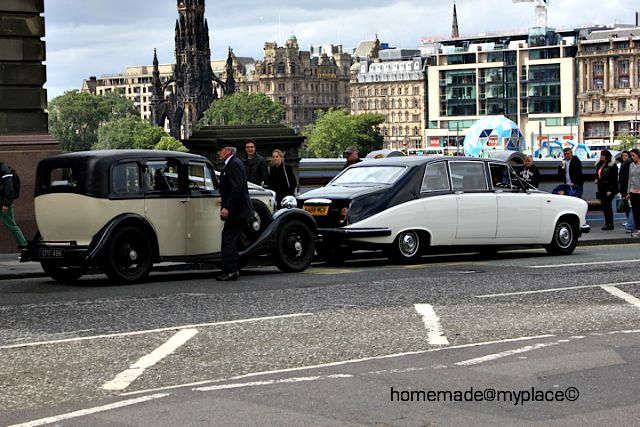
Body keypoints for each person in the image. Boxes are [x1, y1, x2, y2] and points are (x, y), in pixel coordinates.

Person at [217, 145, 253, 281]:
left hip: (237, 211)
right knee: (230, 238)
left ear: (229, 151)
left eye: (221, 150)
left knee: (228, 239)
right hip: (237, 210)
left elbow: (236, 188)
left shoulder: (234, 165)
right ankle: (231, 269)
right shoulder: (232, 164)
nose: (219, 152)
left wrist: (227, 207)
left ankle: (231, 270)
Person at [0, 162, 27, 253]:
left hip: (2, 202)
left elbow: (9, 188)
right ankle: (23, 245)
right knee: (11, 224)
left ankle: (24, 245)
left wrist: (6, 203)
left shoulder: (4, 169)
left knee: (11, 224)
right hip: (3, 201)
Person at [595, 149, 618, 230]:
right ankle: (607, 222)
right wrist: (597, 178)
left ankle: (610, 223)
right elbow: (599, 173)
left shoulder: (612, 165)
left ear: (607, 156)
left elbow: (614, 178)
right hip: (601, 187)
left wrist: (610, 189)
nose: (601, 156)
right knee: (604, 205)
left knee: (607, 205)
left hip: (609, 187)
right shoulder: (600, 164)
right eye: (601, 155)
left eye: (603, 155)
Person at [618, 151, 635, 233]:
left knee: (630, 207)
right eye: (623, 156)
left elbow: (627, 179)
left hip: (628, 189)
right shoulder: (623, 164)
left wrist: (626, 191)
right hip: (625, 189)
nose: (624, 157)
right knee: (628, 207)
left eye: (626, 155)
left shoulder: (628, 164)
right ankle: (630, 222)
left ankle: (630, 224)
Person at [625, 148, 640, 238]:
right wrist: (628, 192)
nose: (632, 157)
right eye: (631, 156)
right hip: (633, 191)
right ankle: (638, 230)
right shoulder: (631, 165)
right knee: (635, 212)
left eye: (633, 155)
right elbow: (629, 179)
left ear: (638, 155)